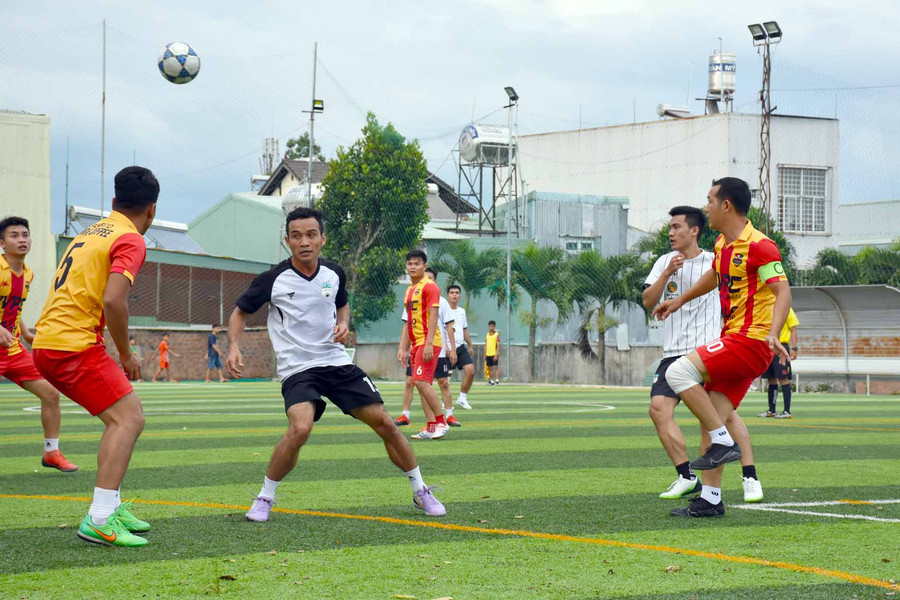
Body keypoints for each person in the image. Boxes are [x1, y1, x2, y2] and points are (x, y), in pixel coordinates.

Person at [229, 207, 445, 521]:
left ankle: (420, 489)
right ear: (287, 240)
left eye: (311, 235)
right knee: (300, 428)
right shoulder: (272, 279)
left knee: (384, 422)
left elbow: (342, 305)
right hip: (298, 368)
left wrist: (344, 324)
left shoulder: (333, 272)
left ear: (322, 238)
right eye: (297, 236)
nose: (305, 241)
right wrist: (234, 346)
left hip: (336, 362)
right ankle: (265, 497)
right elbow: (240, 313)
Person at [32, 166, 159, 546]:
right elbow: (113, 299)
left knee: (119, 419)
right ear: (151, 210)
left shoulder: (91, 231)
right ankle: (100, 518)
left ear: (114, 201)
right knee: (129, 419)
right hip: (71, 345)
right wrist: (126, 353)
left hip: (51, 341)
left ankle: (111, 505)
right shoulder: (131, 238)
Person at [653, 177, 791, 518]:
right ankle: (711, 499)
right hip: (737, 340)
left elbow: (783, 292)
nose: (706, 207)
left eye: (710, 201)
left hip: (749, 341)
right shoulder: (723, 245)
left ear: (726, 205)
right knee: (711, 414)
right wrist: (679, 300)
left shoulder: (761, 246)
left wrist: (774, 333)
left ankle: (724, 441)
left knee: (678, 371)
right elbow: (715, 276)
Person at [643, 206, 763, 504]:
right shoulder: (662, 262)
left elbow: (754, 289)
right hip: (673, 353)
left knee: (720, 416)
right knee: (658, 409)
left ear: (693, 230)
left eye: (676, 227)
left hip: (707, 349)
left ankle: (749, 476)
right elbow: (647, 300)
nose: (670, 233)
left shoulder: (718, 259)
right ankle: (687, 476)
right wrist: (668, 273)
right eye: (669, 228)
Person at [0, 216, 78, 473]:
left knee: (50, 394)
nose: (21, 239)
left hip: (12, 351)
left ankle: (51, 452)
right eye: (14, 235)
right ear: (2, 243)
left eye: (25, 234)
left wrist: (25, 334)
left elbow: (13, 309)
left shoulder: (28, 274)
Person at [395, 268, 459, 431]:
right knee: (417, 382)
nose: (426, 281)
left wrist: (452, 349)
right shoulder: (412, 295)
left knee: (438, 382)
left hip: (433, 346)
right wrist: (403, 348)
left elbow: (448, 326)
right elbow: (408, 324)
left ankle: (443, 419)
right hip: (418, 346)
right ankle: (429, 424)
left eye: (430, 278)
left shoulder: (441, 301)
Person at [759, 307, 799, 419]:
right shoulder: (764, 307)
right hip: (767, 347)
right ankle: (772, 410)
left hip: (781, 346)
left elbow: (793, 329)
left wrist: (794, 348)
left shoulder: (787, 309)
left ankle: (787, 411)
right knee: (771, 379)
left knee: (783, 378)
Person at [446, 284, 475, 410]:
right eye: (452, 292)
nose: (454, 295)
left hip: (460, 346)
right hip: (446, 348)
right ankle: (445, 402)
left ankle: (462, 398)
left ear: (460, 295)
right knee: (445, 378)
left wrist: (470, 345)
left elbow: (465, 329)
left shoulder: (462, 311)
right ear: (448, 295)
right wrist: (447, 348)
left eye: (457, 293)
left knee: (471, 371)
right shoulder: (443, 310)